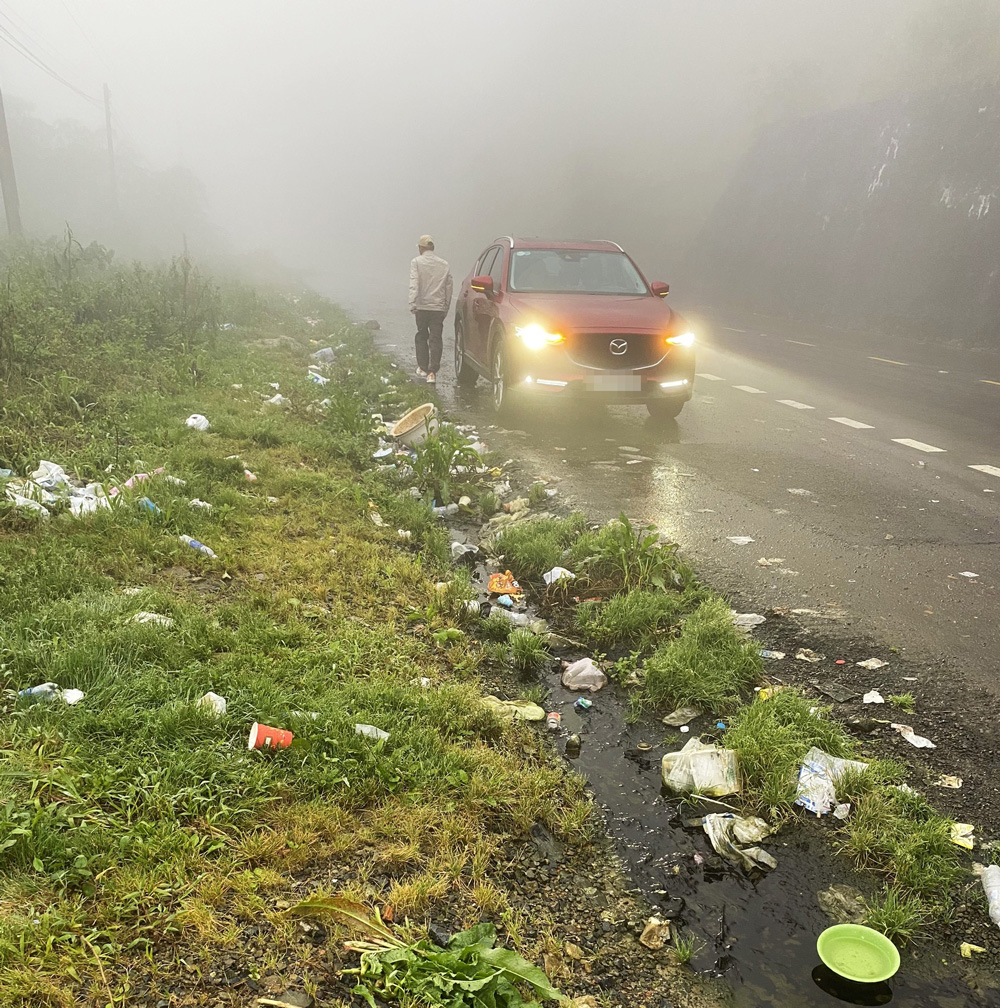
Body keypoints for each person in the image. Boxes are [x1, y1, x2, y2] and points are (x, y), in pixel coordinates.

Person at [408, 235, 452, 383]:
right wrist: (446, 306)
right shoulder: (444, 264)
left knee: (421, 335)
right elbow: (449, 287)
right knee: (436, 338)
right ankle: (432, 372)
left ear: (421, 248)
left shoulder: (416, 262)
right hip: (438, 307)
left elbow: (415, 283)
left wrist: (412, 302)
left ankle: (422, 367)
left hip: (421, 306)